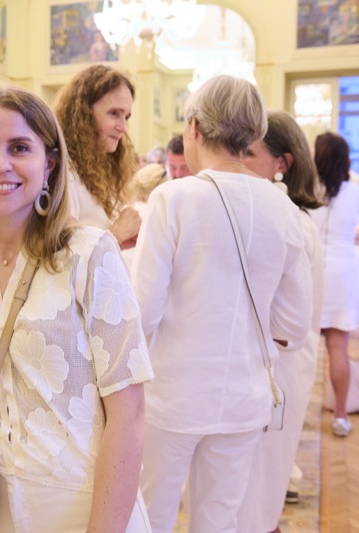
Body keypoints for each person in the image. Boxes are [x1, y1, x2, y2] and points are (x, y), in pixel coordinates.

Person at [0, 85, 153, 531]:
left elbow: (129, 413)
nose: (0, 164)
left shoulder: (89, 254)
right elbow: (7, 322)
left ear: (49, 162)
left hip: (80, 508)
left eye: (19, 147)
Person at [130, 75, 312, 533]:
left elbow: (142, 312)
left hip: (172, 394)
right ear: (253, 132)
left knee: (150, 515)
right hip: (244, 398)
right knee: (219, 521)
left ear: (193, 126)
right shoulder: (283, 210)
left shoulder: (172, 198)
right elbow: (295, 324)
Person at [238, 110, 324, 533]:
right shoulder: (285, 217)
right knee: (254, 488)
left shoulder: (290, 222)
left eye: (249, 154)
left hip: (280, 369)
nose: (239, 163)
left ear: (282, 164)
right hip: (279, 366)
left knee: (259, 488)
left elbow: (287, 322)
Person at [53, 64, 142, 249]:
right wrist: (117, 234)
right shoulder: (60, 173)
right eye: (114, 114)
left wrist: (118, 244)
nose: (123, 128)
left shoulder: (93, 170)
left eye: (126, 117)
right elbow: (60, 256)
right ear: (83, 113)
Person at [310, 131, 359, 437]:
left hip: (312, 268)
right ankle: (340, 416)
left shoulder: (306, 188)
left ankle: (288, 412)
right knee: (337, 347)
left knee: (300, 348)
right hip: (343, 271)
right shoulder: (355, 192)